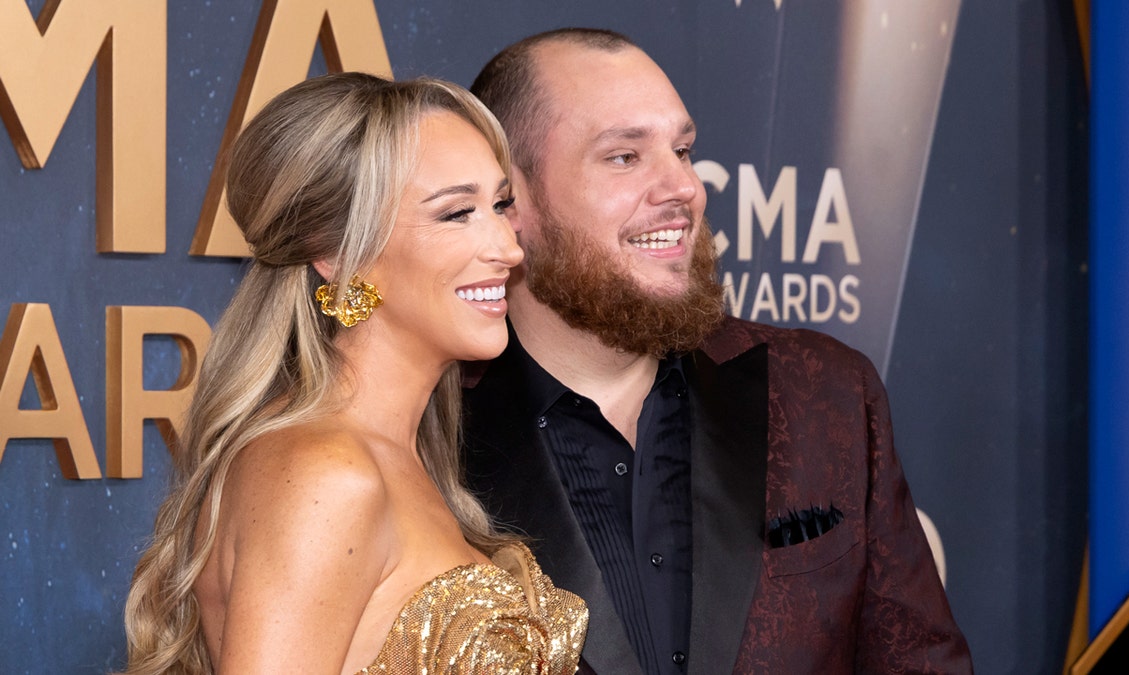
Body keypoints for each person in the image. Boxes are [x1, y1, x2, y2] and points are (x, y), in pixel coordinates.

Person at [461, 28, 972, 674]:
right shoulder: (427, 439)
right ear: (509, 200)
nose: (684, 187)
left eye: (682, 150)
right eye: (625, 157)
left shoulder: (826, 395)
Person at [121, 73, 587, 674]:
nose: (508, 247)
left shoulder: (395, 454)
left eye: (500, 206)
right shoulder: (327, 475)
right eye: (456, 214)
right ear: (338, 253)